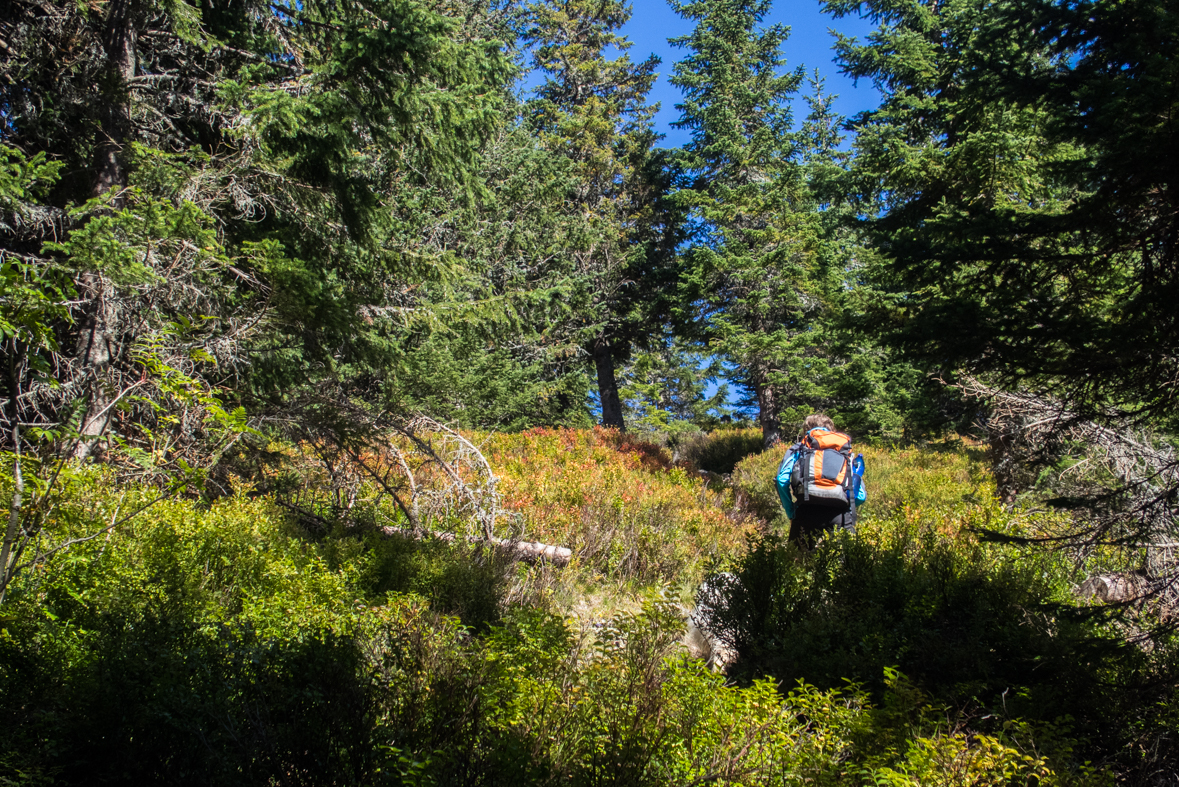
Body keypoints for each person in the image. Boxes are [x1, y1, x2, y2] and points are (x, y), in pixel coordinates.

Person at [775, 414, 866, 547]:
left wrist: (791, 512)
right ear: (831, 429)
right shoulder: (845, 451)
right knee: (844, 565)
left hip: (805, 510)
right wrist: (846, 506)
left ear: (807, 429)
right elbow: (861, 496)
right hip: (839, 514)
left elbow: (781, 480)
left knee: (797, 564)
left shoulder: (800, 448)